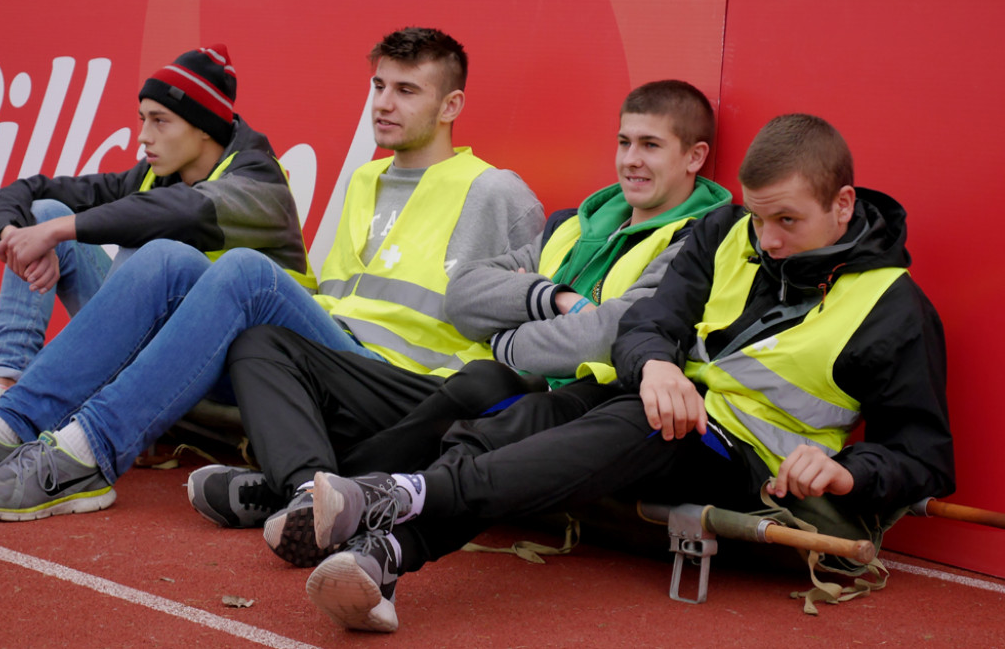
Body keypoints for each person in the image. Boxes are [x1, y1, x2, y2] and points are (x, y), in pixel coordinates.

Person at [296, 114, 955, 633]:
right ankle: (387, 553)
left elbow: (923, 457)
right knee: (531, 413)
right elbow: (645, 324)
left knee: (644, 419)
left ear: (842, 204)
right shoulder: (725, 227)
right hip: (670, 415)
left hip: (754, 467)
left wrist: (848, 472)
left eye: (788, 220)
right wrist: (658, 364)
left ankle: (394, 495)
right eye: (759, 217)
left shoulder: (897, 310)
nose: (768, 239)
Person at [0, 27, 543, 521]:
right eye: (379, 86)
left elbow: (529, 312)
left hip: (406, 384)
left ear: (451, 106)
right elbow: (338, 296)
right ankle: (10, 424)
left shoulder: (495, 190)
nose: (384, 104)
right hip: (327, 361)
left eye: (406, 90)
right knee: (168, 257)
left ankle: (87, 454)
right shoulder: (365, 181)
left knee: (246, 270)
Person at [184, 80, 731, 570]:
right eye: (623, 142)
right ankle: (307, 489)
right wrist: (554, 298)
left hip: (553, 405)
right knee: (264, 343)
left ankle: (308, 494)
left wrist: (507, 335)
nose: (631, 160)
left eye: (651, 146)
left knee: (484, 382)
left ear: (695, 157)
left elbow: (609, 335)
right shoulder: (572, 222)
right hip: (451, 387)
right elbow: (464, 297)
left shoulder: (696, 242)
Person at [0, 44, 315, 407]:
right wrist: (14, 234)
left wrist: (57, 232)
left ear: (203, 126)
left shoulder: (259, 178)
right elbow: (29, 191)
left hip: (243, 363)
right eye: (142, 118)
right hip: (167, 348)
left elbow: (186, 213)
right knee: (44, 211)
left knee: (145, 248)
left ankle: (41, 399)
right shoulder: (156, 174)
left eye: (159, 120)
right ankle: (4, 383)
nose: (143, 135)